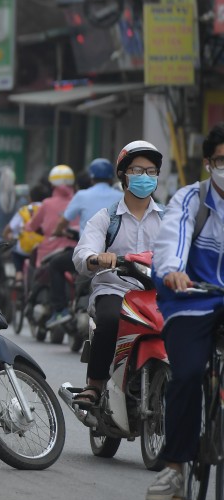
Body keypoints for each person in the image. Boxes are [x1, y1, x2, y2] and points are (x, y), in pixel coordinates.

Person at [147, 124, 224, 500]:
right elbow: (172, 239)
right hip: (190, 299)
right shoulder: (191, 199)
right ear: (210, 163)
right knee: (189, 372)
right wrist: (174, 271)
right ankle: (175, 467)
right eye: (223, 160)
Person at [68, 142, 163, 409]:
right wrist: (96, 258)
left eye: (151, 171)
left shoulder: (169, 218)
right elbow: (83, 253)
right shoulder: (105, 218)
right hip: (114, 290)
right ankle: (95, 384)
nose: (145, 176)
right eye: (137, 170)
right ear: (123, 174)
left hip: (156, 295)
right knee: (110, 319)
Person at [43, 158, 123, 328]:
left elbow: (63, 222)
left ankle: (60, 310)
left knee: (55, 265)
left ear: (91, 177)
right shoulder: (121, 196)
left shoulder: (82, 195)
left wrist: (58, 231)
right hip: (116, 258)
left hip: (91, 256)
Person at [25, 165, 78, 327]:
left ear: (52, 185)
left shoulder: (47, 204)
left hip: (49, 251)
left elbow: (31, 227)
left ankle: (33, 299)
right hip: (75, 251)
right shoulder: (77, 200)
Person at [4, 184, 49, 284]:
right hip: (43, 250)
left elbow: (9, 228)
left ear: (30, 198)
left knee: (15, 252)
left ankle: (19, 275)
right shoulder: (48, 209)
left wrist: (6, 235)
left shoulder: (24, 210)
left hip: (24, 250)